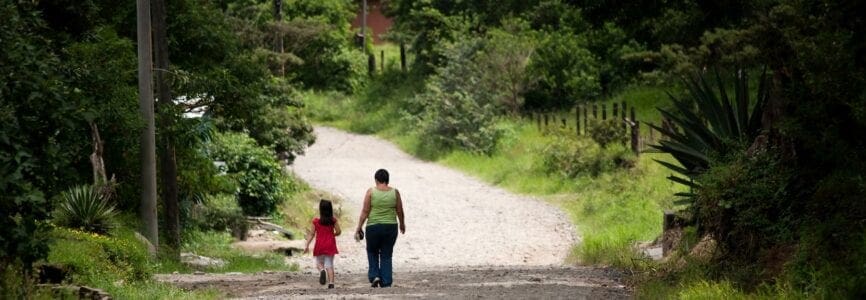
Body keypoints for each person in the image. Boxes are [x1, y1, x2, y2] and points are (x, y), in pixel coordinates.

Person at [355, 169, 405, 288]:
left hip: (373, 227)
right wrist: (402, 224)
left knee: (372, 251)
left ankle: (374, 276)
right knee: (386, 254)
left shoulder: (371, 192)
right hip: (390, 227)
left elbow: (365, 211)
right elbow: (399, 210)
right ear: (387, 180)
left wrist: (359, 227)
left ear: (376, 180)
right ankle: (386, 281)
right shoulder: (395, 193)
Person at [304, 200, 341, 289]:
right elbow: (339, 231)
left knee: (319, 263)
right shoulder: (333, 220)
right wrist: (333, 235)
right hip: (330, 245)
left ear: (320, 209)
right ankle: (331, 283)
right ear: (330, 209)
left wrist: (307, 245)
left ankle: (322, 270)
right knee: (329, 264)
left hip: (320, 245)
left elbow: (312, 234)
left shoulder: (316, 221)